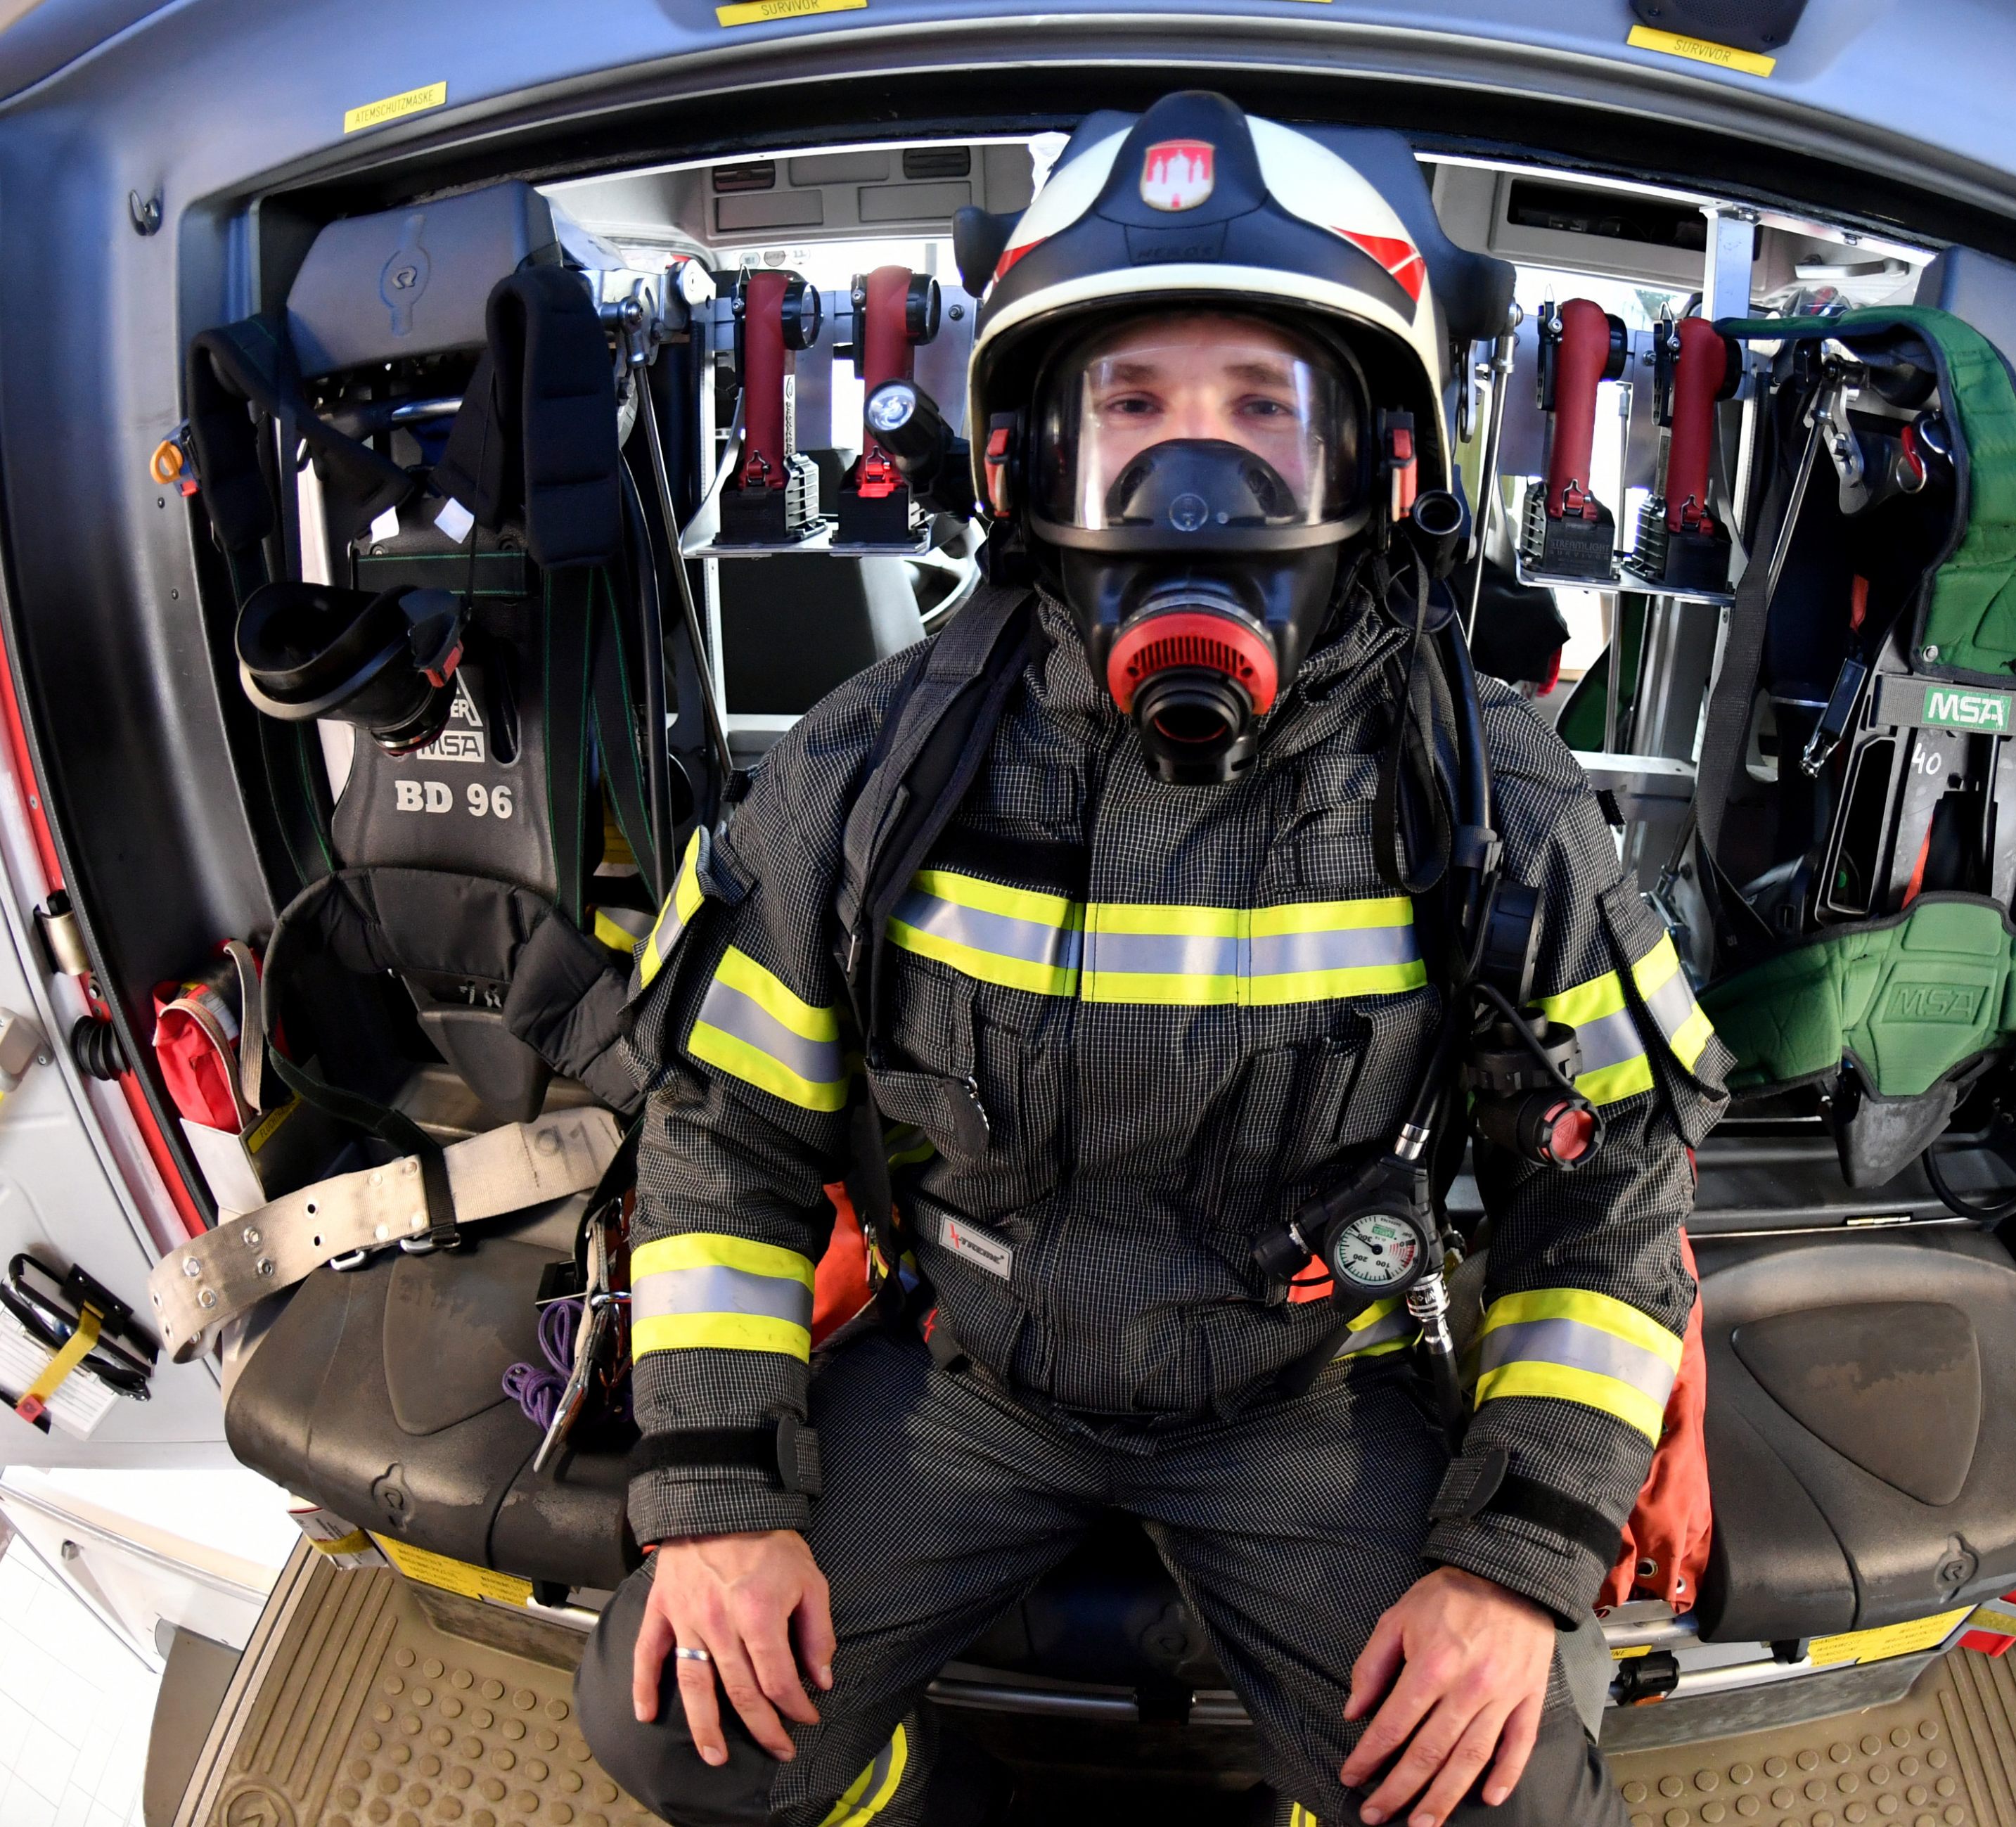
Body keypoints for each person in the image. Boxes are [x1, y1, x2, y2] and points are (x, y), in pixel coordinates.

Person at [575, 89, 1725, 1826]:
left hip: (1302, 1395)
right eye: (1132, 412)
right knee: (683, 1725)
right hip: (973, 1381)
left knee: (1495, 1804)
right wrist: (717, 1501)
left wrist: (1514, 1563)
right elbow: (721, 1134)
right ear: (1027, 459)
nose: (1198, 479)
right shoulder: (867, 763)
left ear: (1385, 467)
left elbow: (1611, 1186)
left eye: (1266, 413)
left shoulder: (1489, 791)